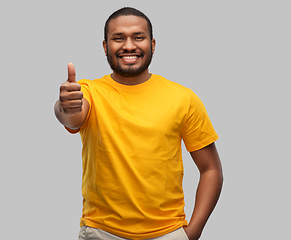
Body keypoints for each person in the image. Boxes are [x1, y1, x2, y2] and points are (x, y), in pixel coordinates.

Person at [54, 7, 223, 240]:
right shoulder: (89, 92)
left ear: (152, 44)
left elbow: (211, 169)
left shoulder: (183, 98)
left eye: (138, 37)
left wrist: (192, 232)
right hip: (102, 233)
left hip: (168, 233)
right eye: (118, 38)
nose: (129, 45)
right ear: (105, 47)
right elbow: (72, 115)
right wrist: (65, 106)